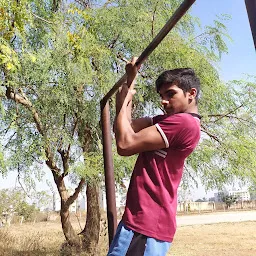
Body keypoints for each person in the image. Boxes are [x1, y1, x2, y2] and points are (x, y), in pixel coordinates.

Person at [108, 57, 201, 256]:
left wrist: (128, 89)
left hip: (146, 223)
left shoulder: (184, 123)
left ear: (191, 94)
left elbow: (124, 144)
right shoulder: (167, 120)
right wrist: (129, 85)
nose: (164, 101)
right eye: (161, 95)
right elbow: (126, 127)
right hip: (140, 221)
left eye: (171, 94)